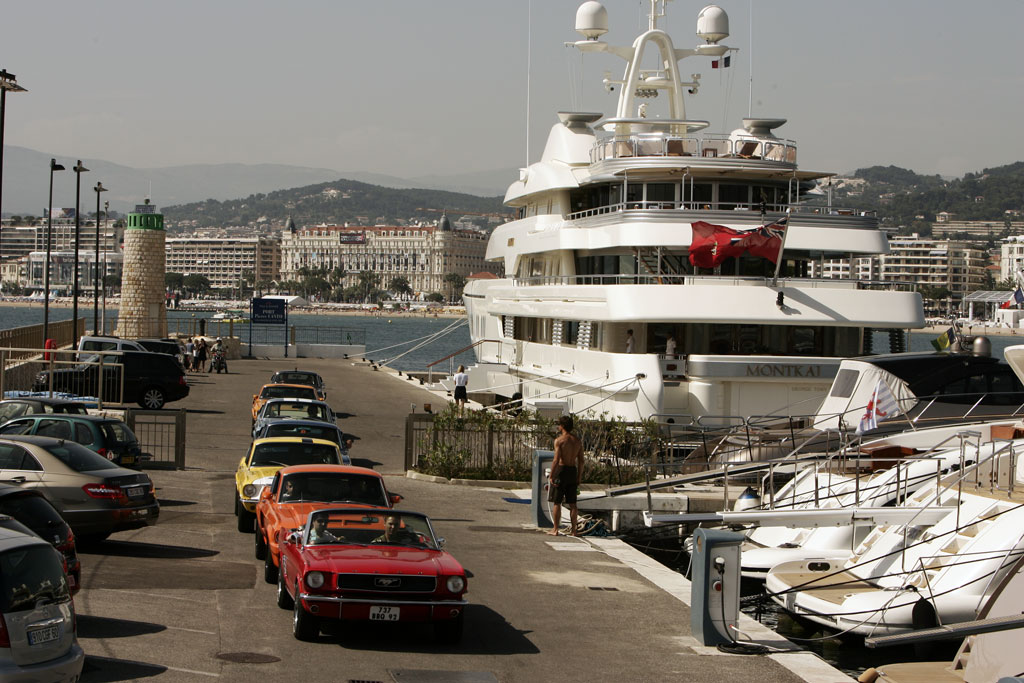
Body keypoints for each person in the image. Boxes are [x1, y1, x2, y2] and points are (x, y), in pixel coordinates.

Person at [548, 414, 584, 536]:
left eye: (559, 424)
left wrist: (551, 475)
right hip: (572, 471)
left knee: (557, 502)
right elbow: (581, 461)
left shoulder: (559, 441)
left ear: (562, 426)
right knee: (573, 504)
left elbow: (556, 460)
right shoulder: (577, 441)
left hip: (562, 471)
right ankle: (574, 530)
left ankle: (555, 529)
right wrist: (579, 477)